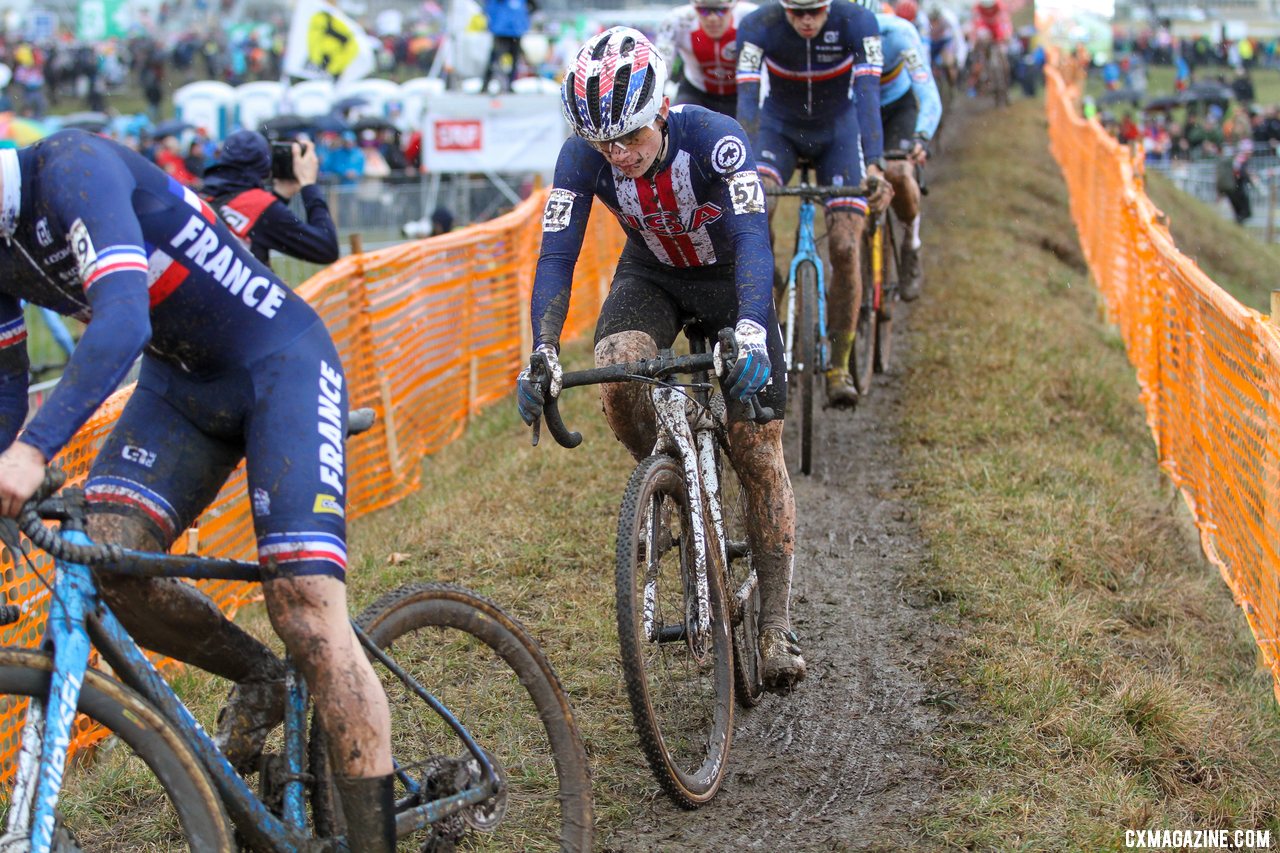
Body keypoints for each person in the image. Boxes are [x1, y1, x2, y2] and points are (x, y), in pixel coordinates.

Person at [0, 129, 396, 850]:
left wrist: (32, 449)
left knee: (306, 611)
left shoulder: (71, 171)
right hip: (178, 386)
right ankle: (262, 677)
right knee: (106, 557)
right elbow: (5, 379)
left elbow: (122, 320)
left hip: (279, 363)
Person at [515, 28, 805, 692]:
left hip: (735, 279)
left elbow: (756, 241)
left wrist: (754, 333)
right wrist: (541, 350)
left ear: (662, 110)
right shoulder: (580, 159)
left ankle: (775, 623)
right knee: (618, 371)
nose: (617, 154)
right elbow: (556, 253)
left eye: (630, 137)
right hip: (654, 276)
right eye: (603, 143)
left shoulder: (717, 139)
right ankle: (668, 480)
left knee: (757, 447)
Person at [735, 0, 890, 407]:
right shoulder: (757, 23)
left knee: (843, 245)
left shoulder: (859, 21)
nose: (806, 21)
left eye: (815, 11)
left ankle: (839, 362)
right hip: (778, 132)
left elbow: (869, 92)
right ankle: (772, 280)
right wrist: (741, 161)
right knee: (753, 207)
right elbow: (748, 99)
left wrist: (874, 162)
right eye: (796, 12)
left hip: (838, 134)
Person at [873, 7, 941, 302]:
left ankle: (911, 244)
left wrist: (922, 135)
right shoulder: (829, 33)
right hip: (855, 108)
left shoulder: (899, 35)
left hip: (897, 108)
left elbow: (928, 93)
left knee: (899, 172)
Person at [200, 130, 339, 271]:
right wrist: (309, 185)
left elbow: (256, 228)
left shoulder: (205, 197)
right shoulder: (257, 205)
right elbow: (327, 248)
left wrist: (280, 195)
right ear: (265, 162)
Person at [654, 0, 758, 118]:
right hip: (696, 92)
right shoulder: (678, 20)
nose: (712, 18)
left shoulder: (752, 17)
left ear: (733, 6)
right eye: (703, 10)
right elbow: (661, 66)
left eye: (721, 10)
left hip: (741, 93)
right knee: (676, 126)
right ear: (693, 7)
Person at [480, 0, 532, 94]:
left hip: (515, 31)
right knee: (496, 59)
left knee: (514, 61)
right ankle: (487, 85)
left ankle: (509, 85)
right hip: (501, 31)